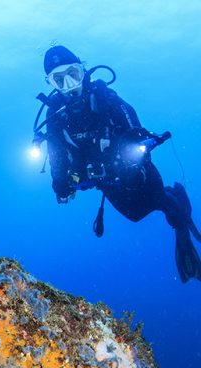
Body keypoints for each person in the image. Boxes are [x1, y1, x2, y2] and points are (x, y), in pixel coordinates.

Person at [40, 45, 201, 283]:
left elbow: (134, 127)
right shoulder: (54, 115)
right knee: (135, 215)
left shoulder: (105, 97)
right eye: (59, 79)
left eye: (73, 74)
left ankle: (178, 217)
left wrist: (134, 148)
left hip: (137, 172)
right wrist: (59, 180)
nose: (69, 84)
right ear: (51, 83)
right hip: (107, 182)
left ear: (82, 70)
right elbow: (56, 154)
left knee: (161, 203)